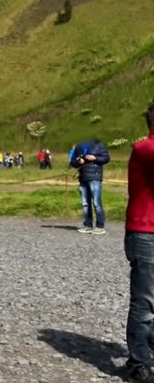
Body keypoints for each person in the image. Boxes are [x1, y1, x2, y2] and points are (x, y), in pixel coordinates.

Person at [125, 105, 154, 382]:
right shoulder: (145, 148)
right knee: (144, 301)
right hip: (144, 234)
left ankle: (149, 342)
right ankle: (137, 362)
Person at [72, 139, 111, 234]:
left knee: (96, 203)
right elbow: (72, 162)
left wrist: (95, 158)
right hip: (83, 177)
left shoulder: (99, 145)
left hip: (95, 177)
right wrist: (78, 162)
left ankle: (100, 226)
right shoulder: (79, 146)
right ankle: (88, 225)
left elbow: (106, 158)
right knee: (85, 203)